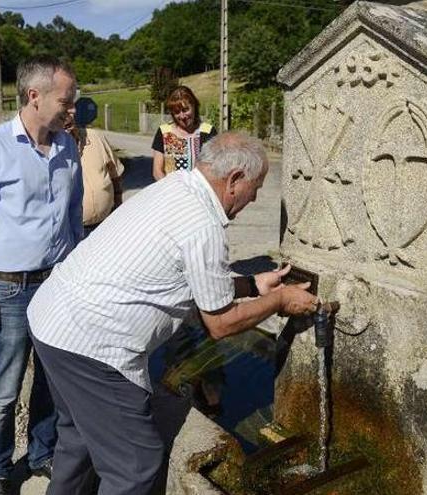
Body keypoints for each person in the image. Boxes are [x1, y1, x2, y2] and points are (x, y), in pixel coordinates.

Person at [27, 132, 320, 495]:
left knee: (79, 439)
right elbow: (220, 323)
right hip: (93, 345)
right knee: (136, 464)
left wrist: (252, 285)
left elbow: (194, 279)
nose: (255, 197)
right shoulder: (203, 223)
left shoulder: (178, 187)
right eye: (255, 187)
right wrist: (279, 302)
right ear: (234, 180)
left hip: (53, 319)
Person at [0, 56, 81, 495]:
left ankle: (43, 451)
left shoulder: (67, 145)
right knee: (5, 387)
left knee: (51, 377)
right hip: (9, 287)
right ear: (34, 96)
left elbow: (73, 215)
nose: (72, 108)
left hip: (57, 284)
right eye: (66, 100)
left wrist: (76, 268)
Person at [64, 105, 123, 236]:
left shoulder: (95, 137)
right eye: (61, 112)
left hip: (108, 222)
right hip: (75, 232)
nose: (67, 116)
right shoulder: (48, 150)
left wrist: (119, 204)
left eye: (69, 110)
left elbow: (115, 174)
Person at [151, 85, 216, 181]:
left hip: (199, 191)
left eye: (185, 110)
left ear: (194, 106)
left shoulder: (208, 131)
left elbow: (215, 166)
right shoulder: (164, 132)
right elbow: (157, 171)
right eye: (177, 112)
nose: (182, 116)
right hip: (172, 190)